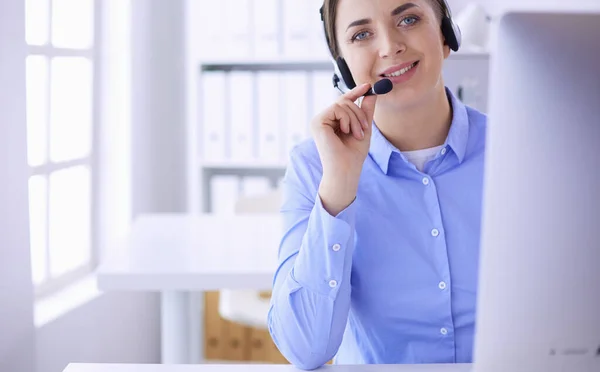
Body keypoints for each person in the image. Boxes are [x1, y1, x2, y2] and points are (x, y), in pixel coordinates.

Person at [267, 0, 487, 369]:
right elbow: (304, 350)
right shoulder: (313, 165)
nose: (389, 46)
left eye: (409, 19)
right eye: (362, 34)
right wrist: (339, 185)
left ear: (447, 36)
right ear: (343, 67)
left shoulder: (519, 148)